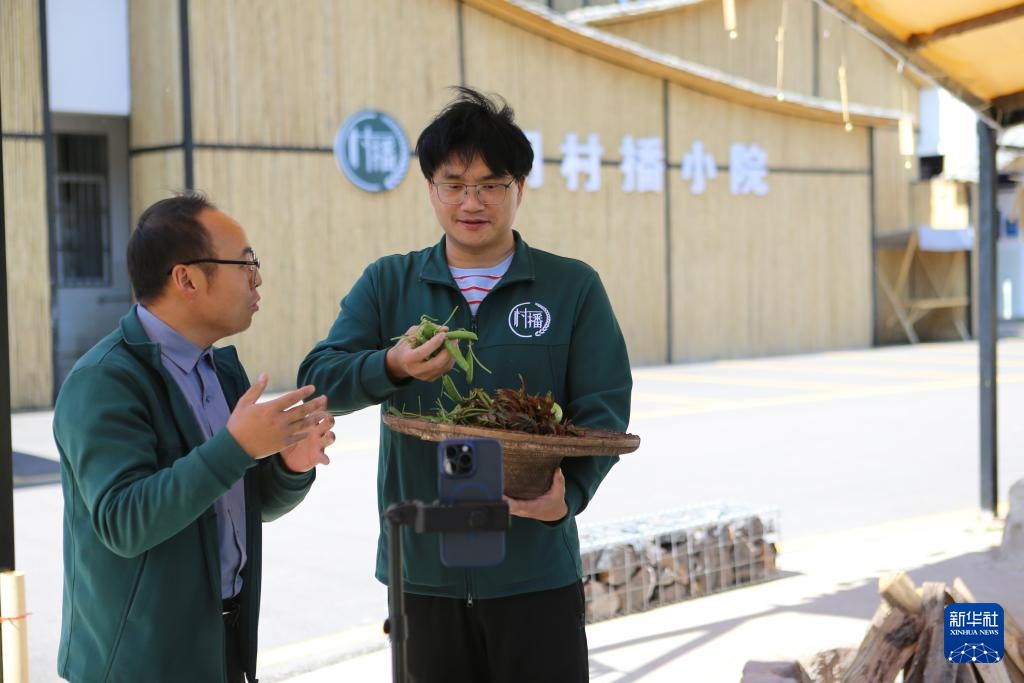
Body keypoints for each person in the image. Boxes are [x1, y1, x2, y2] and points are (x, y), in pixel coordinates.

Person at [299, 87, 632, 682]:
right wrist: (391, 367)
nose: (472, 201)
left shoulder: (572, 287)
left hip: (534, 567)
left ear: (519, 188)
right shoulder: (387, 283)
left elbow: (604, 406)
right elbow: (320, 378)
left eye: (492, 183)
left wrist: (568, 497)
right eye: (454, 183)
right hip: (424, 571)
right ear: (431, 189)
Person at [54, 193, 335, 683]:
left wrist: (291, 466)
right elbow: (125, 521)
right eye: (245, 263)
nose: (257, 278)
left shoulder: (219, 368)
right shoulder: (104, 380)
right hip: (138, 664)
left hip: (221, 645)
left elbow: (241, 505)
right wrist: (238, 448)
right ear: (186, 278)